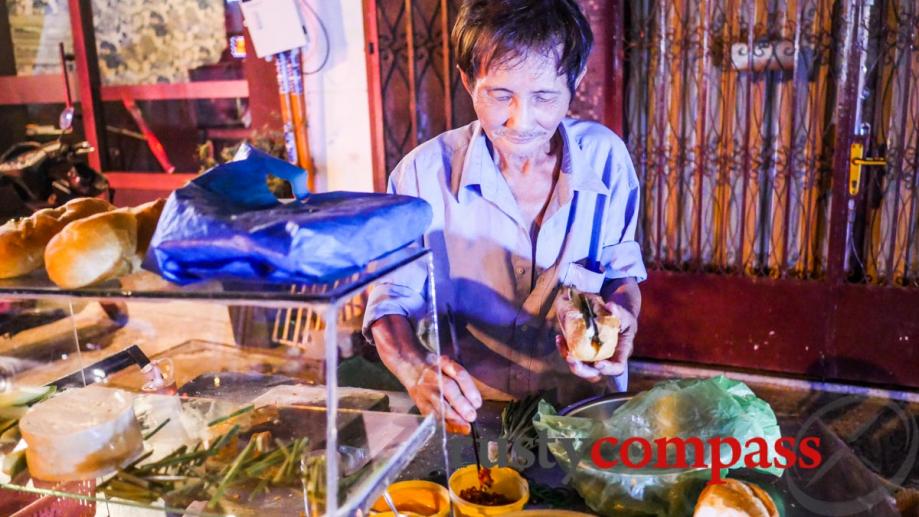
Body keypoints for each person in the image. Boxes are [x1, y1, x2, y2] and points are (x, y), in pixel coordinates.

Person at [362, 0, 646, 434]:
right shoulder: (420, 175)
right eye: (500, 94)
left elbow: (619, 276)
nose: (521, 120)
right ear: (467, 81)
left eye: (545, 97)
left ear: (575, 84)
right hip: (469, 416)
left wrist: (622, 316)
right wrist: (414, 367)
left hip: (584, 415)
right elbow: (388, 301)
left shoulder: (607, 159)